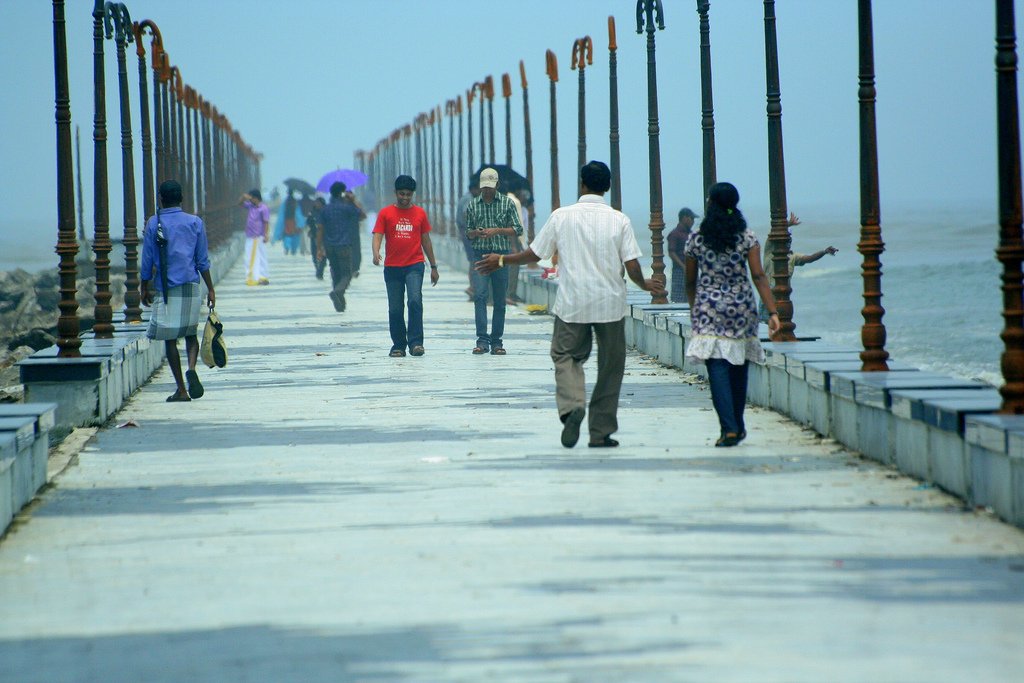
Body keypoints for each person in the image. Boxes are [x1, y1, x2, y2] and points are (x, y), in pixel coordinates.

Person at [476, 161, 664, 448]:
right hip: (610, 304)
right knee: (610, 367)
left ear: (582, 184)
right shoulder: (620, 220)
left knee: (565, 357)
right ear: (607, 187)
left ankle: (573, 405)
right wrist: (645, 285)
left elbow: (533, 254)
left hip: (573, 302)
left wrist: (501, 259)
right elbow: (632, 265)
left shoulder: (561, 217)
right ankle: (600, 432)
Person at [684, 181, 780, 448]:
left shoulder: (696, 239)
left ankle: (729, 428)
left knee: (717, 367)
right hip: (741, 308)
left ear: (711, 204)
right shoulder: (747, 237)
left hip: (708, 308)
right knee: (739, 367)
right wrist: (772, 312)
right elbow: (759, 275)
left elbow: (690, 281)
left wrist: (695, 309)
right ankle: (737, 424)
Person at [140, 180, 216, 403]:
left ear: (161, 199)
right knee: (190, 332)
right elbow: (202, 260)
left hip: (165, 287)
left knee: (170, 338)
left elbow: (147, 260)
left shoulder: (154, 223)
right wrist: (210, 288)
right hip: (191, 284)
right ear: (181, 198)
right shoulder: (195, 222)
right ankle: (191, 368)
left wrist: (144, 286)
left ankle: (181, 389)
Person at [372, 175, 440, 357]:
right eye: (401, 194)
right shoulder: (386, 213)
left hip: (415, 265)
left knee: (415, 301)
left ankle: (416, 343)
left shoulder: (420, 214)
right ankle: (398, 345)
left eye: (408, 194)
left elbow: (426, 240)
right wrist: (375, 252)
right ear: (395, 193)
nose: (405, 198)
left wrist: (433, 266)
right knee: (395, 308)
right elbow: (378, 234)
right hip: (393, 267)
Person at [465, 167, 523, 355]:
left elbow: (517, 229)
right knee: (480, 296)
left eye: (490, 187)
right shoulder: (473, 205)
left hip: (500, 255)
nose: (487, 191)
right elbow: (469, 232)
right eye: (484, 188)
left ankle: (497, 341)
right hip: (480, 255)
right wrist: (477, 233)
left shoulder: (507, 204)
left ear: (497, 185)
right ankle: (482, 340)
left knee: (499, 300)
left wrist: (497, 230)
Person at [759, 214, 839, 321]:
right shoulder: (770, 252)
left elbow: (809, 258)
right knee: (770, 323)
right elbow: (771, 235)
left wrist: (824, 252)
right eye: (785, 240)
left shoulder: (792, 257)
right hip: (768, 295)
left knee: (783, 322)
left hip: (783, 297)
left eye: (789, 241)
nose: (787, 243)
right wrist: (788, 224)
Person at [317, 181, 366, 313]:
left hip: (329, 246)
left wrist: (319, 248)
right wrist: (353, 200)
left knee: (335, 273)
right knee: (347, 274)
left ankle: (340, 304)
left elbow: (320, 229)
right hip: (344, 245)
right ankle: (337, 291)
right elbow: (362, 215)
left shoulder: (325, 209)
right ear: (342, 193)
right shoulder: (347, 208)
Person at [455, 178, 481, 300]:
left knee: (473, 261)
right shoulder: (469, 199)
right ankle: (473, 287)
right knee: (474, 261)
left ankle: (474, 287)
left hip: (466, 234)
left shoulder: (467, 198)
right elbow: (466, 214)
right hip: (469, 235)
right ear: (473, 189)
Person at [667, 207, 698, 303]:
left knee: (693, 296)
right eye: (691, 219)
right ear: (684, 218)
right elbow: (671, 252)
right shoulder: (675, 233)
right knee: (679, 297)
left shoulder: (692, 234)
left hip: (692, 269)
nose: (693, 222)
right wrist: (683, 266)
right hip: (679, 270)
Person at [240, 189, 270, 285]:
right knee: (249, 257)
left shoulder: (263, 208)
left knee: (259, 257)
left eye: (251, 198)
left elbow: (266, 222)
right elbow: (240, 204)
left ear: (256, 198)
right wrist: (243, 197)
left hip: (258, 236)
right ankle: (253, 277)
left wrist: (266, 235)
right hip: (250, 236)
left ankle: (261, 277)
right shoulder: (250, 206)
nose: (250, 200)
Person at [274, 190, 305, 255]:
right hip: (294, 221)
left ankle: (287, 247)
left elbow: (281, 213)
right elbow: (298, 213)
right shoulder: (295, 202)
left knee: (287, 234)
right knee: (294, 235)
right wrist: (300, 223)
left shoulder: (285, 202)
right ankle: (293, 249)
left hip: (286, 221)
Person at [306, 196, 327, 279]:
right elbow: (308, 222)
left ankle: (320, 271)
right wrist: (310, 230)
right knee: (314, 254)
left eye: (318, 203)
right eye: (316, 202)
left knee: (323, 255)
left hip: (324, 236)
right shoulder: (312, 213)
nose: (316, 204)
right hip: (314, 236)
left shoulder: (326, 212)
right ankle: (317, 268)